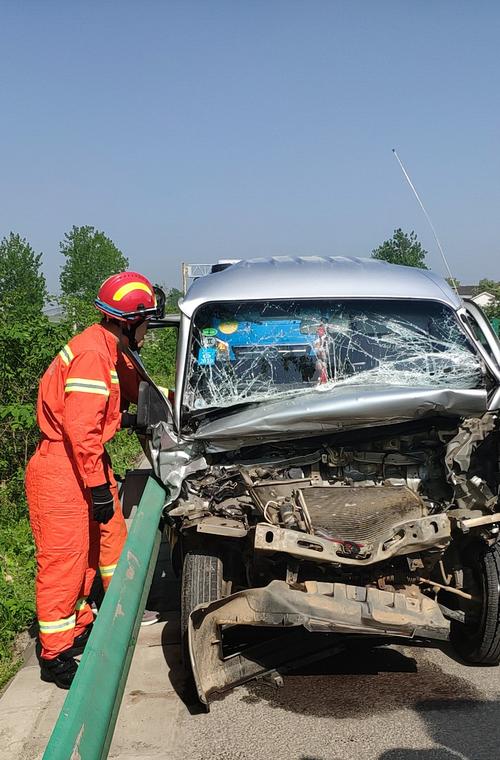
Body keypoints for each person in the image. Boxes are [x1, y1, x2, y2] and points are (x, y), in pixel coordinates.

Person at [25, 271, 162, 689]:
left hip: (81, 463)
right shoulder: (92, 355)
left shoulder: (107, 346)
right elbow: (81, 428)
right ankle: (56, 655)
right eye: (146, 321)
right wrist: (99, 488)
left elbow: (123, 393)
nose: (149, 329)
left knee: (101, 549)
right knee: (65, 561)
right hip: (64, 468)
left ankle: (83, 620)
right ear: (127, 320)